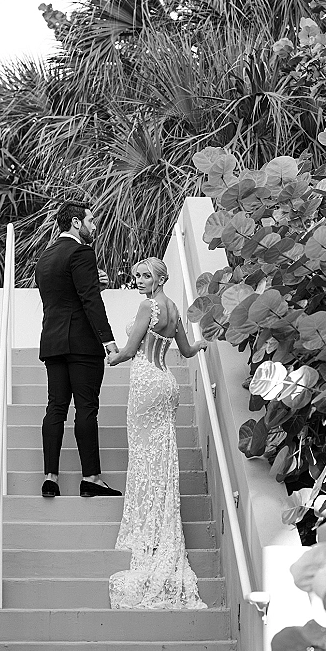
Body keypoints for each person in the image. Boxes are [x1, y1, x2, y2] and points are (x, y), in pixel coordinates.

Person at [106, 257, 208, 609]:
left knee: (144, 454)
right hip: (168, 383)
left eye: (145, 275)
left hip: (147, 382)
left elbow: (131, 350)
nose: (138, 280)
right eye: (135, 275)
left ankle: (147, 529)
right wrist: (205, 342)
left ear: (160, 278)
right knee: (161, 456)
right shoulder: (175, 308)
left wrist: (112, 356)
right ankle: (161, 523)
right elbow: (188, 350)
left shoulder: (147, 305)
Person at [35, 200, 122, 499]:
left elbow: (64, 295)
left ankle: (50, 478)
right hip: (83, 344)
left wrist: (94, 287)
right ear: (76, 223)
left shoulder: (44, 258)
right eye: (91, 220)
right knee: (86, 408)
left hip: (53, 341)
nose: (94, 226)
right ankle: (91, 478)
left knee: (55, 408)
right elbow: (88, 301)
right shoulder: (82, 252)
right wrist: (108, 342)